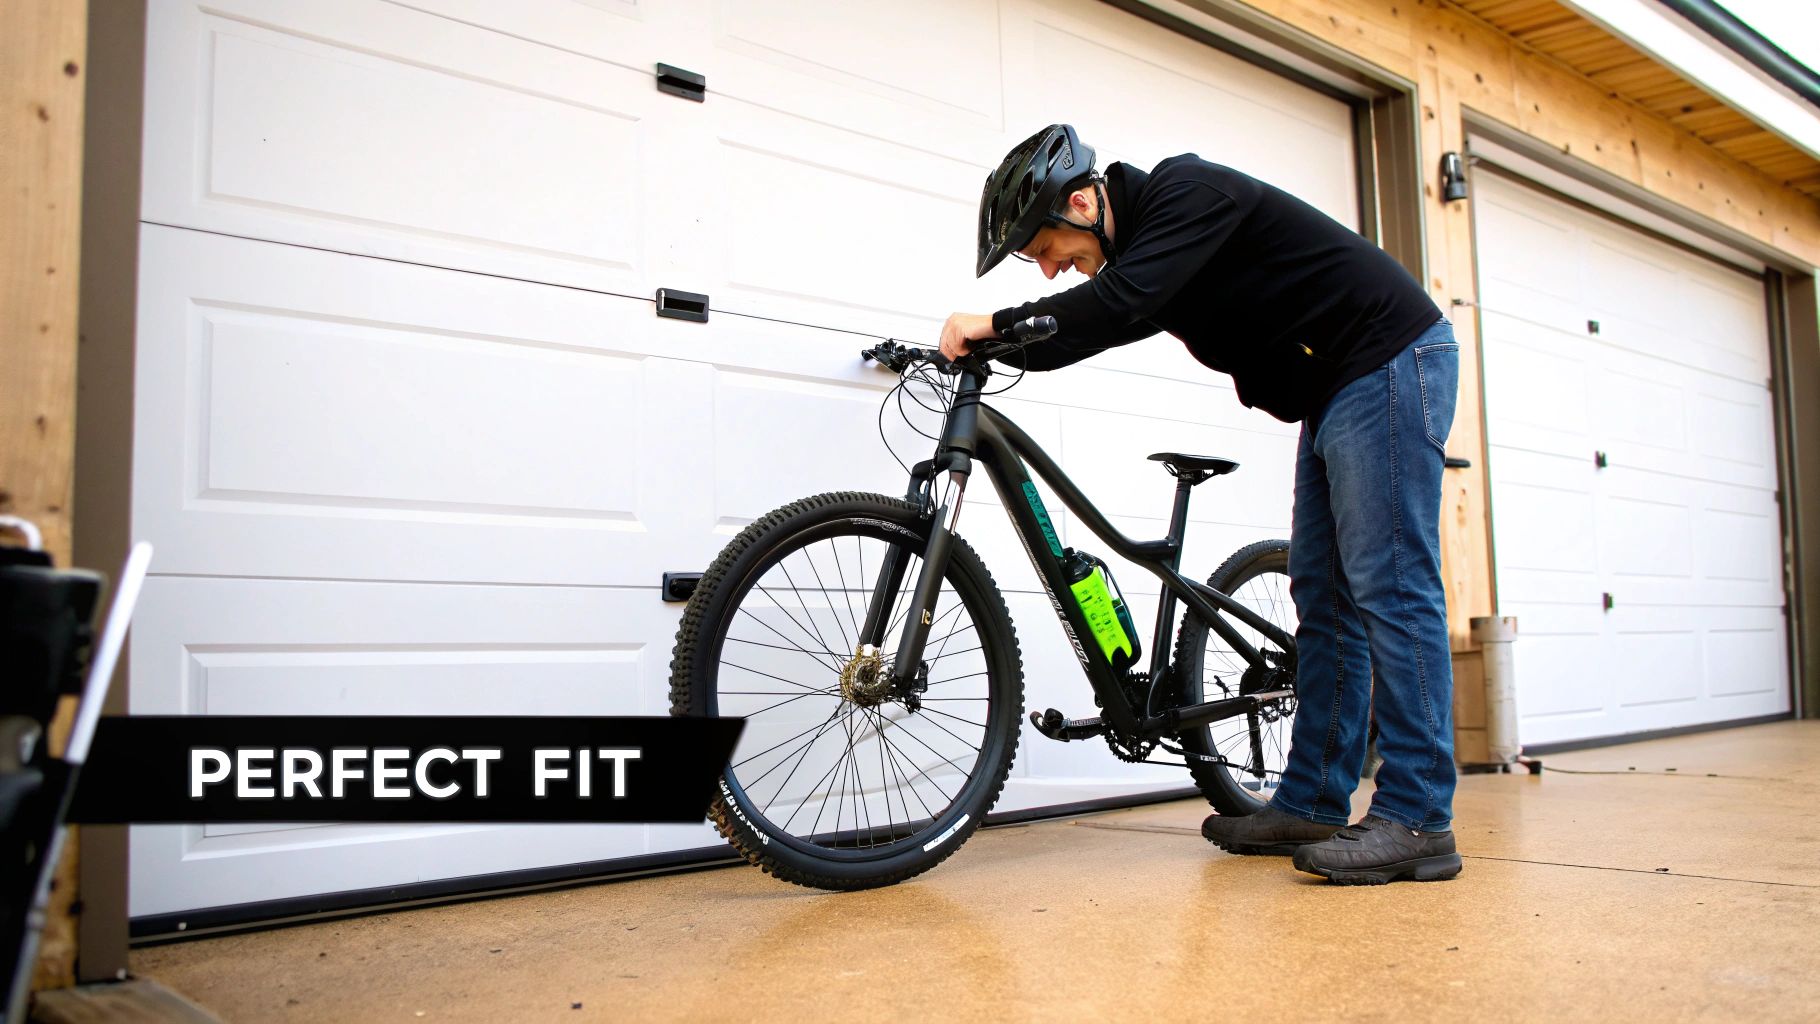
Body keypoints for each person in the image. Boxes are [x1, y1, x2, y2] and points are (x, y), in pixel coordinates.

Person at [943, 124, 1463, 884]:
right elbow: (1096, 323)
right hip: (1339, 387)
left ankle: (1419, 817)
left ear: (1083, 200)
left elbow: (1115, 305)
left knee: (1391, 586)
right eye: (1039, 263)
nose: (1050, 270)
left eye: (1046, 247)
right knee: (1325, 596)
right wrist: (990, 348)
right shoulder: (1155, 251)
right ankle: (1313, 800)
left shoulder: (1187, 194)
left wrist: (993, 322)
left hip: (1388, 357)